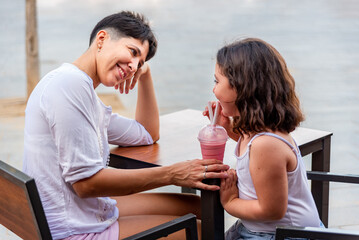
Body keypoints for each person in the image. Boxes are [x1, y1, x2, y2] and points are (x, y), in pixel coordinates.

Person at [23, 11, 229, 240]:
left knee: (195, 205)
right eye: (132, 52)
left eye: (139, 62)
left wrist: (145, 75)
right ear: (101, 40)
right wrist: (172, 174)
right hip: (72, 230)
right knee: (200, 232)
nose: (133, 66)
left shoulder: (82, 92)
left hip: (81, 211)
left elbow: (147, 134)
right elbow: (86, 184)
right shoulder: (69, 86)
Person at [203, 38, 322, 239]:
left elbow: (272, 210)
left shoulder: (267, 144)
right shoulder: (257, 133)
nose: (213, 90)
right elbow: (249, 147)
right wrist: (227, 127)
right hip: (263, 230)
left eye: (217, 81)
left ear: (242, 88)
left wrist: (230, 202)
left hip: (286, 235)